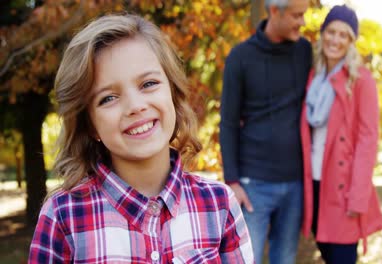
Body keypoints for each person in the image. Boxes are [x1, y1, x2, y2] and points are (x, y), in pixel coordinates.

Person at [28, 14, 254, 263]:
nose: (135, 106)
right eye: (108, 98)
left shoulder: (219, 204)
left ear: (173, 93)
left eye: (148, 83)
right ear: (90, 125)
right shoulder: (63, 216)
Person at [219, 0, 312, 263]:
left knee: (285, 259)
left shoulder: (304, 51)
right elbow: (227, 122)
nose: (302, 22)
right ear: (274, 11)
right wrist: (233, 181)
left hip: (294, 183)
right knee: (246, 259)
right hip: (253, 185)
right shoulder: (240, 57)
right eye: (297, 16)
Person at [300, 5, 382, 264]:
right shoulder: (314, 76)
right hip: (314, 184)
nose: (335, 40)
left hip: (342, 189)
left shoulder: (361, 80)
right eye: (331, 32)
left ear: (351, 42)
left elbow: (368, 141)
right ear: (322, 33)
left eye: (343, 35)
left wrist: (358, 197)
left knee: (342, 257)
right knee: (326, 253)